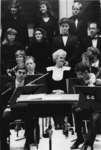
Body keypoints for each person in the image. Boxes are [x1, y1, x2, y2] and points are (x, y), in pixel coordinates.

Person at [70, 62, 101, 150]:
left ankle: (88, 143)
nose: (78, 76)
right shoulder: (79, 82)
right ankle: (79, 138)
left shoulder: (97, 81)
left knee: (94, 118)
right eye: (77, 74)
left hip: (97, 109)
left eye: (80, 74)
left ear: (86, 72)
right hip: (86, 107)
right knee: (76, 110)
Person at [46, 49, 71, 131]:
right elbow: (47, 85)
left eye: (64, 58)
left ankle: (62, 123)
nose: (62, 59)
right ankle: (57, 122)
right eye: (60, 57)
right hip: (51, 95)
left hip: (64, 95)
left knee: (62, 101)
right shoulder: (49, 70)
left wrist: (63, 92)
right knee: (54, 101)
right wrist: (52, 92)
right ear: (55, 59)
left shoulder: (67, 70)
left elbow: (69, 85)